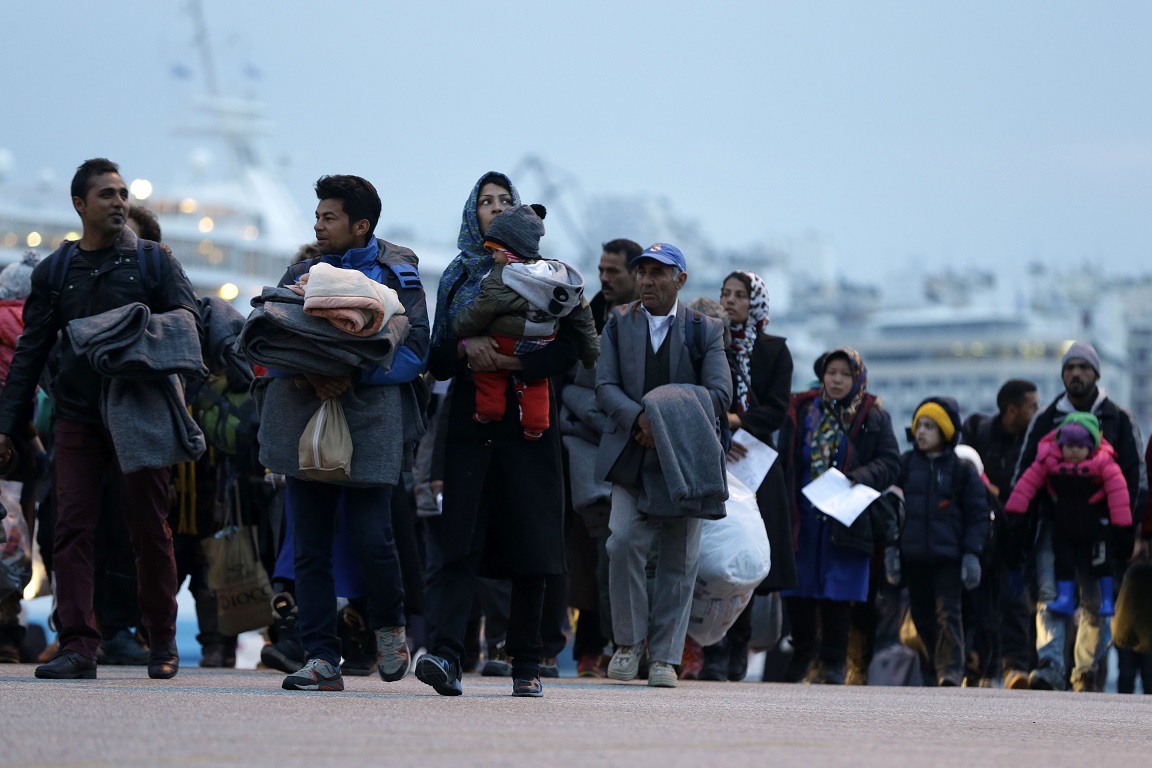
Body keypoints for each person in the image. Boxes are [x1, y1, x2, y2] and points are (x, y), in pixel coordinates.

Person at [0, 158, 201, 680]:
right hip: (78, 417)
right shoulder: (55, 271)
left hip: (140, 410)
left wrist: (133, 337)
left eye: (123, 193)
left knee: (149, 529)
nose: (119, 202)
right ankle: (78, 647)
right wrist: (7, 425)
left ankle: (160, 639)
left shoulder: (155, 262)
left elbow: (189, 326)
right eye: (107, 194)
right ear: (79, 205)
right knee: (71, 529)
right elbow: (29, 353)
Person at [243, 174, 428, 692]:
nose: (318, 224)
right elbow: (269, 341)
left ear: (361, 224)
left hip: (371, 420)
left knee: (374, 537)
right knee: (309, 547)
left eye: (329, 217)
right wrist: (307, 374)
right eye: (318, 215)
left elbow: (417, 349)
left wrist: (353, 373)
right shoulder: (301, 271)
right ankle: (321, 658)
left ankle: (389, 627)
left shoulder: (398, 273)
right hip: (307, 415)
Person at [416, 171, 580, 698]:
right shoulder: (459, 276)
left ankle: (526, 659)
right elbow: (437, 357)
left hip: (531, 434)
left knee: (533, 545)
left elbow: (571, 351)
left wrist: (516, 358)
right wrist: (467, 350)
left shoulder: (552, 278)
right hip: (472, 429)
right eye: (484, 202)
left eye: (504, 201)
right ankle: (446, 653)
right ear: (473, 213)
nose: (494, 208)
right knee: (459, 543)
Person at [596, 242, 732, 690]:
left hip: (686, 460)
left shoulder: (705, 330)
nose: (648, 280)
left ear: (681, 280)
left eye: (659, 272)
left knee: (679, 558)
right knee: (623, 542)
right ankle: (629, 644)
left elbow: (719, 394)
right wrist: (639, 420)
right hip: (630, 453)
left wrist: (663, 419)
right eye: (643, 272)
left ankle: (665, 658)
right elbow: (605, 386)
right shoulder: (618, 324)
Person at [1012, 341, 1147, 692]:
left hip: (1100, 530)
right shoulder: (1046, 420)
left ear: (1096, 374)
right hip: (1051, 526)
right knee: (1049, 593)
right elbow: (1024, 473)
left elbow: (1135, 477)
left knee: (1093, 601)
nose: (1075, 374)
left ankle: (1085, 670)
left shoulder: (1119, 417)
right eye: (1069, 368)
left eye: (1083, 368)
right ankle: (1051, 665)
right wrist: (1019, 524)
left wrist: (1128, 529)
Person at [777, 348, 900, 684]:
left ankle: (833, 662)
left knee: (838, 591)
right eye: (831, 372)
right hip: (803, 515)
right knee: (798, 588)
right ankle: (803, 654)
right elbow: (786, 460)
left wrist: (858, 477)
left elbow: (891, 463)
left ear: (857, 378)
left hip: (846, 518)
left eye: (845, 374)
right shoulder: (802, 410)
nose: (837, 380)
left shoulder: (873, 416)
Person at [699, 270, 795, 682]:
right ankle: (713, 647)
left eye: (740, 295)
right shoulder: (707, 339)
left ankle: (740, 644)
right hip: (716, 459)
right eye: (726, 293)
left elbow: (777, 408)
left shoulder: (774, 351)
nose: (732, 301)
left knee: (749, 559)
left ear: (755, 302)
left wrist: (736, 421)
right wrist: (720, 427)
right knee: (714, 554)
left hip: (755, 463)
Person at [452, 203, 598, 439]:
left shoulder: (501, 278)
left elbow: (477, 315)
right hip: (543, 342)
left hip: (506, 342)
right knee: (536, 384)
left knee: (489, 377)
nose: (493, 257)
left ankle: (489, 410)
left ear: (510, 250)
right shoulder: (557, 275)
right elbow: (583, 318)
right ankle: (536, 425)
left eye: (495, 250)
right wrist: (591, 355)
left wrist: (462, 329)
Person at [898, 397, 991, 686]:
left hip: (948, 558)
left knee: (948, 613)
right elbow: (891, 508)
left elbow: (978, 515)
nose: (921, 432)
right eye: (919, 426)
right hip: (913, 557)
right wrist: (892, 549)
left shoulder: (962, 470)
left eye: (930, 427)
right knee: (922, 617)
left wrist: (971, 554)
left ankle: (950, 671)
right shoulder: (905, 464)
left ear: (946, 432)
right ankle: (932, 667)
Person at [1005, 412, 1132, 619]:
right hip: (1063, 526)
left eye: (1080, 447)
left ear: (1090, 446)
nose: (1074, 451)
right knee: (1063, 563)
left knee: (1102, 563)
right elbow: (1026, 485)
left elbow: (1119, 495)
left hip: (1096, 527)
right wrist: (1015, 509)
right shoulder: (1048, 462)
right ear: (1060, 445)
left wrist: (1122, 526)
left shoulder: (1105, 463)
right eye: (1069, 446)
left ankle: (1107, 600)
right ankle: (1064, 598)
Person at [961, 379, 1039, 689]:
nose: (1037, 411)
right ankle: (979, 667)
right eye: (1032, 406)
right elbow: (964, 467)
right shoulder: (978, 432)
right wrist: (987, 488)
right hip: (982, 534)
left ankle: (1014, 668)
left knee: (1016, 602)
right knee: (980, 604)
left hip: (1018, 536)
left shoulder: (1035, 439)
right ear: (1012, 409)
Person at [590, 239, 641, 332]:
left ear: (636, 273)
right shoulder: (593, 311)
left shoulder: (657, 318)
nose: (604, 278)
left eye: (612, 271)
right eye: (601, 271)